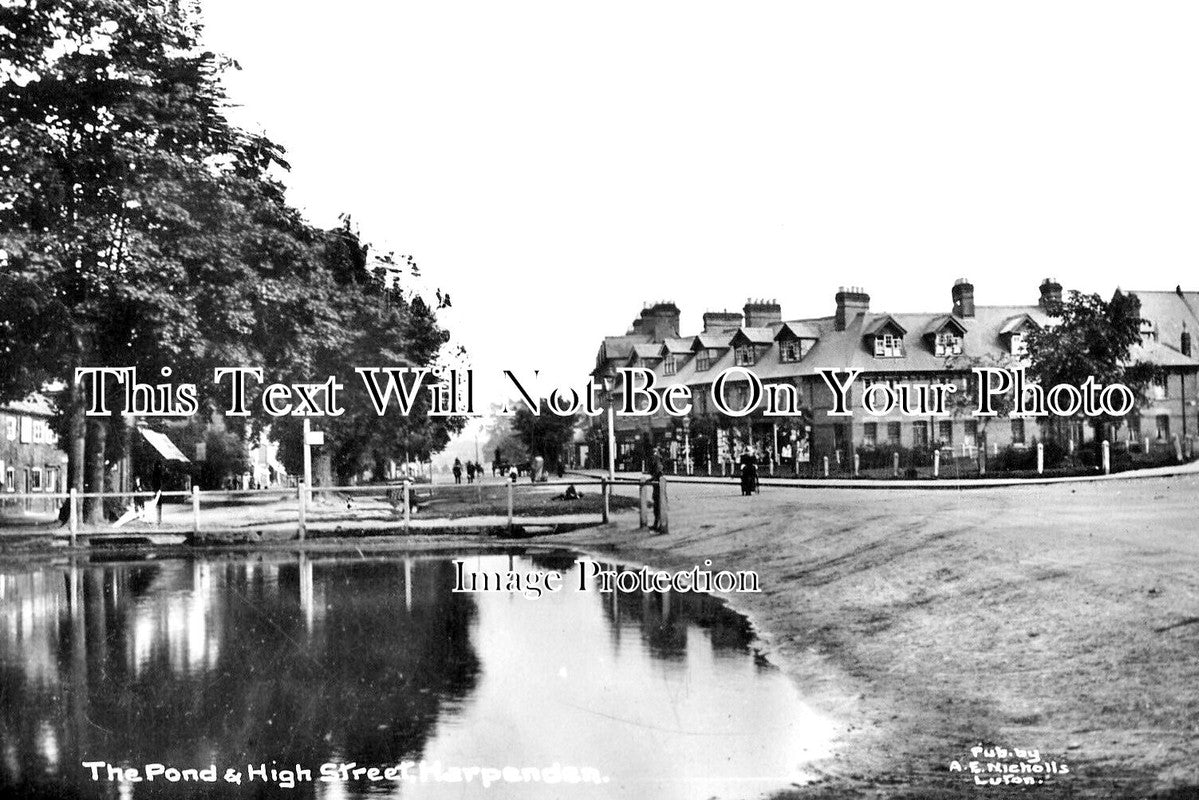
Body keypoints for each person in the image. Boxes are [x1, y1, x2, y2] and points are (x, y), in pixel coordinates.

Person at [648, 450, 664, 530]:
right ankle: (657, 524)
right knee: (657, 507)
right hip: (657, 488)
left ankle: (658, 525)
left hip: (658, 489)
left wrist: (651, 480)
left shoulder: (658, 465)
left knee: (658, 507)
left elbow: (658, 476)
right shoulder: (658, 464)